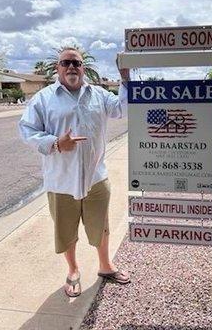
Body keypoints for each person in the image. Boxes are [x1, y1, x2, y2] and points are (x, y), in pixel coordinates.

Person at [19, 47, 130, 297]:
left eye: (76, 63)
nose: (71, 67)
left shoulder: (99, 95)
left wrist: (125, 79)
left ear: (83, 68)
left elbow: (122, 109)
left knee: (101, 225)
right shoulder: (43, 99)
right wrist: (56, 143)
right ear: (57, 68)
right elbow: (27, 130)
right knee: (66, 230)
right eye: (65, 62)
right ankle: (73, 270)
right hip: (60, 181)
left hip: (95, 178)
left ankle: (105, 265)